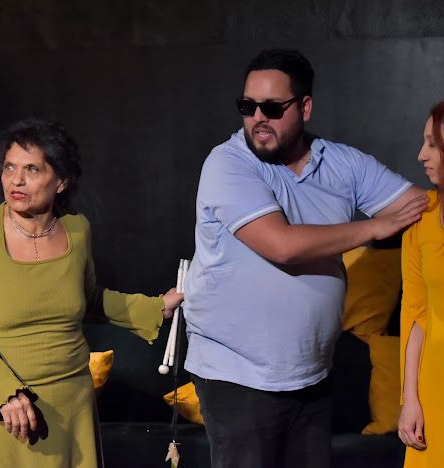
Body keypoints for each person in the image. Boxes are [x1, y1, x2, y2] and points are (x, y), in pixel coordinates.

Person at [183, 48, 428, 468]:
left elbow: (421, 208)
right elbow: (283, 246)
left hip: (311, 374)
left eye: (272, 108)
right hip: (238, 377)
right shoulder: (228, 164)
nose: (257, 118)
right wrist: (373, 227)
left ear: (305, 107)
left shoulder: (342, 163)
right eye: (247, 106)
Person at [0, 118, 183, 468]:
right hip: (3, 406)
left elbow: (89, 298)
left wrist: (156, 307)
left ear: (62, 180)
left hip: (70, 402)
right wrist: (5, 392)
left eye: (32, 169)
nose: (16, 180)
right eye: (9, 167)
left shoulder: (77, 229)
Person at [398, 101, 444, 467]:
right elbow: (415, 314)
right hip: (434, 384)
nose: (421, 155)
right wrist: (410, 400)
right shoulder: (421, 216)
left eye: (432, 144)